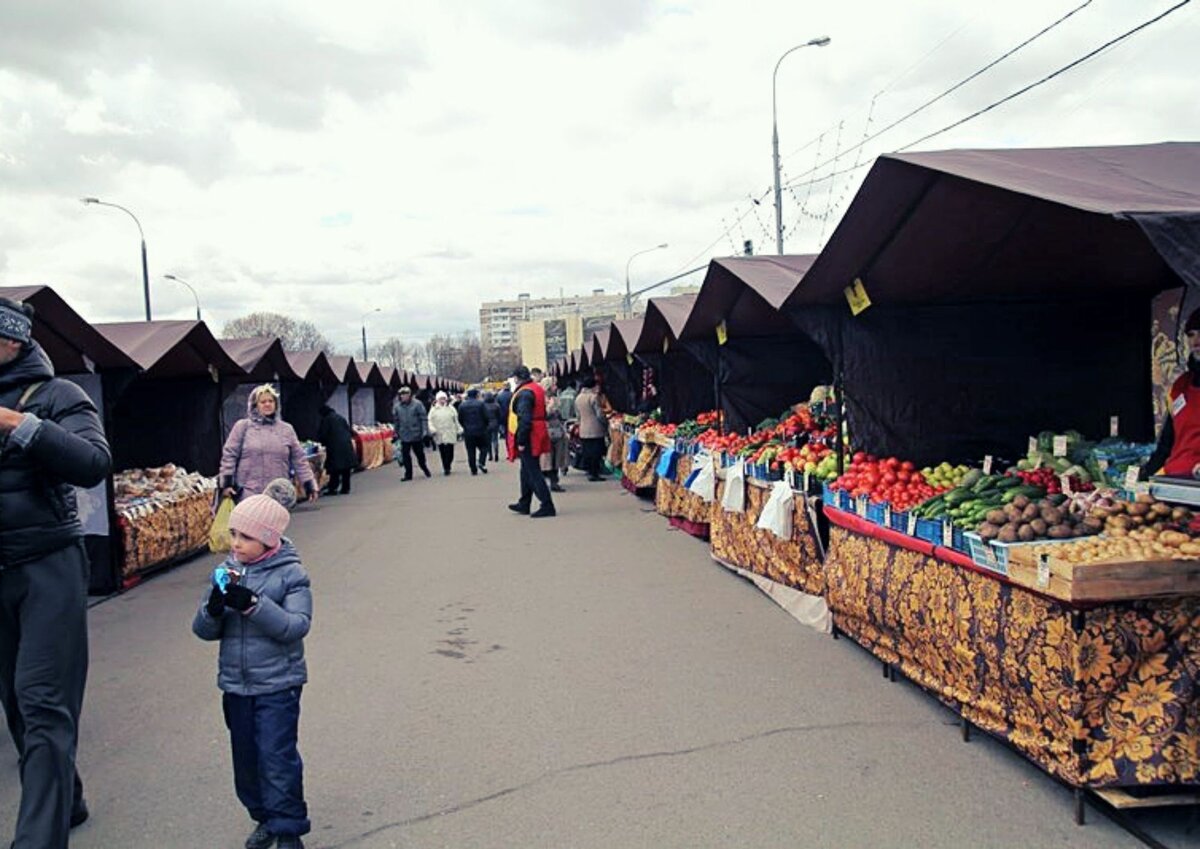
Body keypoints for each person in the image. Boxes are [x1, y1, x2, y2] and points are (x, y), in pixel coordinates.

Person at [0, 297, 111, 848]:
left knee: (43, 702)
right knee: (18, 705)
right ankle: (66, 798)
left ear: (12, 339)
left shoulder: (57, 394)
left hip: (49, 566)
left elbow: (93, 464)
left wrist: (18, 425)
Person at [192, 494, 312, 849]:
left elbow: (296, 625)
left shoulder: (292, 574)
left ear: (269, 539)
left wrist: (254, 605)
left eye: (245, 537)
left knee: (277, 757)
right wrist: (213, 608)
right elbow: (203, 631)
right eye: (233, 534)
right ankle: (263, 818)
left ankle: (288, 828)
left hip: (278, 685)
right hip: (236, 685)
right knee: (245, 759)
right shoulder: (228, 571)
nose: (236, 543)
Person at [220, 385, 317, 503]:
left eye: (271, 401)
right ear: (255, 406)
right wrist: (227, 484)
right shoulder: (242, 427)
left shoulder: (286, 429)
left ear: (276, 404)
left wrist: (309, 485)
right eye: (263, 402)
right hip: (249, 494)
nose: (267, 404)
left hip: (278, 493)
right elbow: (229, 456)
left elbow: (299, 460)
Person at [1144, 308, 1200, 479]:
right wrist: (1147, 473)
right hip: (1173, 480)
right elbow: (1167, 441)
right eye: (1191, 334)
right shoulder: (1180, 386)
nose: (1196, 341)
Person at [507, 365, 556, 517]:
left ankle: (547, 505)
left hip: (530, 434)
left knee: (533, 471)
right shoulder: (535, 388)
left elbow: (525, 419)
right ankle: (524, 502)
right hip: (537, 429)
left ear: (516, 378)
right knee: (526, 470)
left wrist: (521, 441)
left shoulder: (525, 393)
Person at [392, 386, 432, 480]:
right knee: (406, 456)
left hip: (416, 434)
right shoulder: (397, 407)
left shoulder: (417, 404)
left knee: (419, 454)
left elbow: (423, 418)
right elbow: (396, 421)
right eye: (402, 395)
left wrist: (425, 431)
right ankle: (408, 474)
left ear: (410, 395)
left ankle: (424, 467)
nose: (404, 397)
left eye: (406, 394)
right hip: (404, 434)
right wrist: (395, 433)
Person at [316, 404, 356, 496]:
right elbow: (349, 431)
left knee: (335, 470)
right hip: (346, 445)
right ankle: (346, 488)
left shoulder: (327, 420)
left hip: (334, 447)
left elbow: (323, 434)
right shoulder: (341, 417)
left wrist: (322, 442)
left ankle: (333, 488)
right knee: (346, 469)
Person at [575, 376, 608, 481]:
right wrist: (605, 422)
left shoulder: (578, 398)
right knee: (596, 452)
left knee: (587, 452)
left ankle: (589, 471)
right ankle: (595, 474)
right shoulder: (593, 397)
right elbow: (599, 414)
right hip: (595, 428)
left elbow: (578, 415)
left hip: (583, 428)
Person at [540, 378, 567, 493]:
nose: (556, 387)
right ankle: (551, 480)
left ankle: (555, 480)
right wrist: (550, 408)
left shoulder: (555, 398)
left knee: (557, 457)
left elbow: (560, 415)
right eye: (554, 385)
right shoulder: (541, 399)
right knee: (548, 457)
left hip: (558, 431)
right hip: (547, 431)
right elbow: (543, 415)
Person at [457, 387, 491, 475]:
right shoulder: (481, 404)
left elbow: (460, 418)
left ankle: (473, 469)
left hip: (468, 432)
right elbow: (486, 417)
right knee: (484, 447)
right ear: (476, 395)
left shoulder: (462, 405)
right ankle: (481, 462)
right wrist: (485, 426)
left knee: (470, 450)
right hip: (481, 430)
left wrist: (465, 426)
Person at [428, 391, 462, 475]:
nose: (442, 400)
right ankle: (446, 467)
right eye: (440, 399)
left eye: (443, 398)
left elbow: (456, 420)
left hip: (450, 431)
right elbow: (430, 420)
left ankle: (448, 464)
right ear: (437, 400)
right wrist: (432, 429)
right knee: (443, 451)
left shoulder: (451, 408)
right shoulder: (433, 409)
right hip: (439, 433)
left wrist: (459, 429)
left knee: (450, 451)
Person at [482, 391, 502, 462]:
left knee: (488, 441)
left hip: (487, 425)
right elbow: (499, 415)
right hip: (495, 423)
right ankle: (496, 454)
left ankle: (490, 455)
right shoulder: (496, 405)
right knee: (495, 439)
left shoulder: (483, 405)